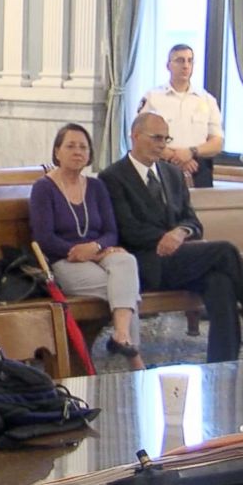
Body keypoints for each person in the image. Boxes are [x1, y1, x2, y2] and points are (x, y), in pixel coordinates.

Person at [98, 113, 243, 362]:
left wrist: (180, 232)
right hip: (145, 263)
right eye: (156, 138)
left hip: (180, 258)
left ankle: (223, 364)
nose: (162, 144)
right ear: (136, 136)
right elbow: (127, 229)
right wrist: (165, 238)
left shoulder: (172, 173)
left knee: (220, 282)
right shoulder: (113, 177)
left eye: (166, 138)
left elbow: (193, 222)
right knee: (224, 250)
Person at [30, 124, 146, 371]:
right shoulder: (44, 188)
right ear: (57, 152)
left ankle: (122, 334)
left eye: (83, 147)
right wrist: (79, 251)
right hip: (63, 260)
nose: (77, 151)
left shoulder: (96, 187)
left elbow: (111, 231)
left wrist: (95, 247)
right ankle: (134, 359)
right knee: (124, 288)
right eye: (70, 146)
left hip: (97, 254)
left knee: (126, 263)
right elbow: (44, 238)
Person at [138, 44, 223, 188]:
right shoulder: (153, 97)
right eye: (180, 60)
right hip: (162, 165)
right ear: (168, 65)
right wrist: (175, 157)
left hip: (198, 168)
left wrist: (190, 152)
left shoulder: (207, 99)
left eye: (190, 61)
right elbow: (140, 135)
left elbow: (217, 143)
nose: (186, 65)